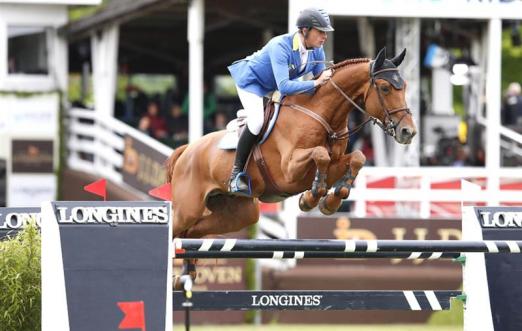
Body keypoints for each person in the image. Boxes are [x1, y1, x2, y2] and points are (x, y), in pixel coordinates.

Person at [226, 7, 334, 196]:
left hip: (272, 87)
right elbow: (285, 86)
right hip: (251, 82)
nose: (324, 36)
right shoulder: (280, 46)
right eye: (320, 32)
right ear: (305, 30)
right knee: (257, 121)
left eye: (326, 32)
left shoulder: (317, 51)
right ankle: (236, 175)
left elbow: (319, 87)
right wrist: (316, 82)